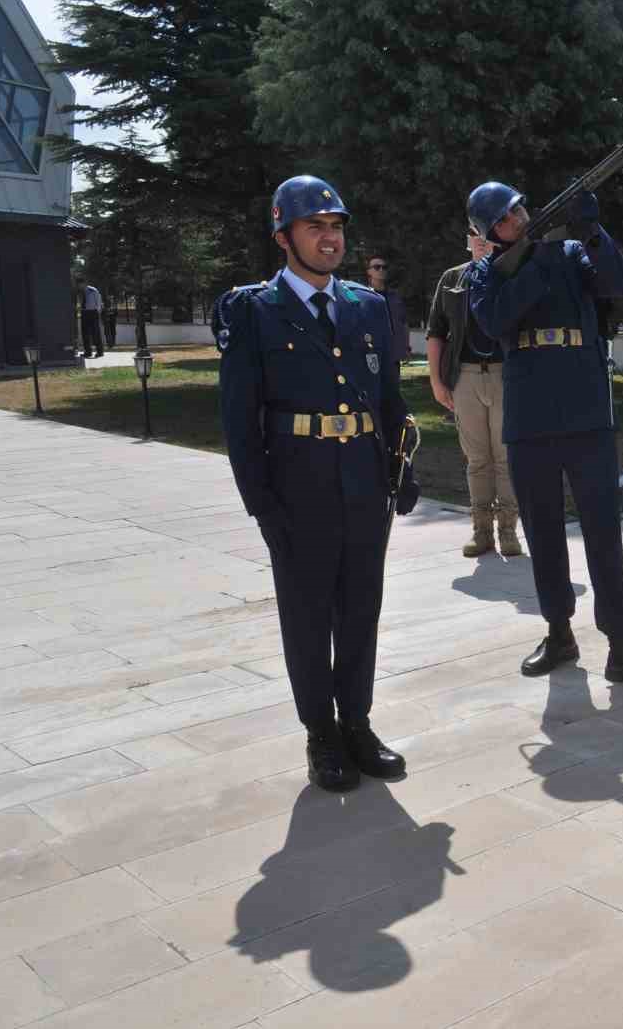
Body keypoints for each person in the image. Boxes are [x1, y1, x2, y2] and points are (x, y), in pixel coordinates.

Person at [214, 175, 419, 793]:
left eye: (335, 228)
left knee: (361, 609)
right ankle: (321, 734)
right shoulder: (254, 310)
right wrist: (260, 505)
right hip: (296, 484)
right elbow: (238, 419)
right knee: (307, 616)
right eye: (314, 228)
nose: (329, 240)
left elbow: (387, 397)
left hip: (362, 481)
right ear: (284, 236)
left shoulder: (366, 306)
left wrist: (400, 467)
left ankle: (356, 723)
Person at [466, 180, 623, 692]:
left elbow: (615, 284)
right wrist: (533, 259)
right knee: (543, 532)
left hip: (585, 410)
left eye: (520, 208)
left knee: (603, 531)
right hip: (531, 415)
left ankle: (622, 646)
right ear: (491, 231)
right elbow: (493, 321)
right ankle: (559, 633)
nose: (519, 217)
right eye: (507, 217)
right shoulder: (485, 272)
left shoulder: (573, 251)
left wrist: (594, 230)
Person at [426, 230, 521, 557]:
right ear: (466, 240)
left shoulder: (510, 272)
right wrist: (437, 381)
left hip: (505, 376)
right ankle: (481, 531)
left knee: (506, 458)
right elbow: (436, 331)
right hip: (464, 377)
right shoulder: (452, 278)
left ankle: (508, 530)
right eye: (473, 234)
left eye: (486, 233)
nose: (480, 240)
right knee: (477, 459)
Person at [366, 256, 410, 365]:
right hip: (373, 354)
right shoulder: (363, 296)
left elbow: (403, 323)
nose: (381, 270)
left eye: (384, 267)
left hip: (394, 355)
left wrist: (406, 347)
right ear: (369, 271)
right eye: (377, 267)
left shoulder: (394, 297)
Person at [80, 284, 105, 358]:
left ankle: (100, 352)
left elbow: (98, 300)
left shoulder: (92, 290)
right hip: (84, 312)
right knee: (85, 333)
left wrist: (98, 311)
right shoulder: (81, 291)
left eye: (79, 284)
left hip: (93, 312)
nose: (79, 286)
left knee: (96, 333)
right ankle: (88, 352)